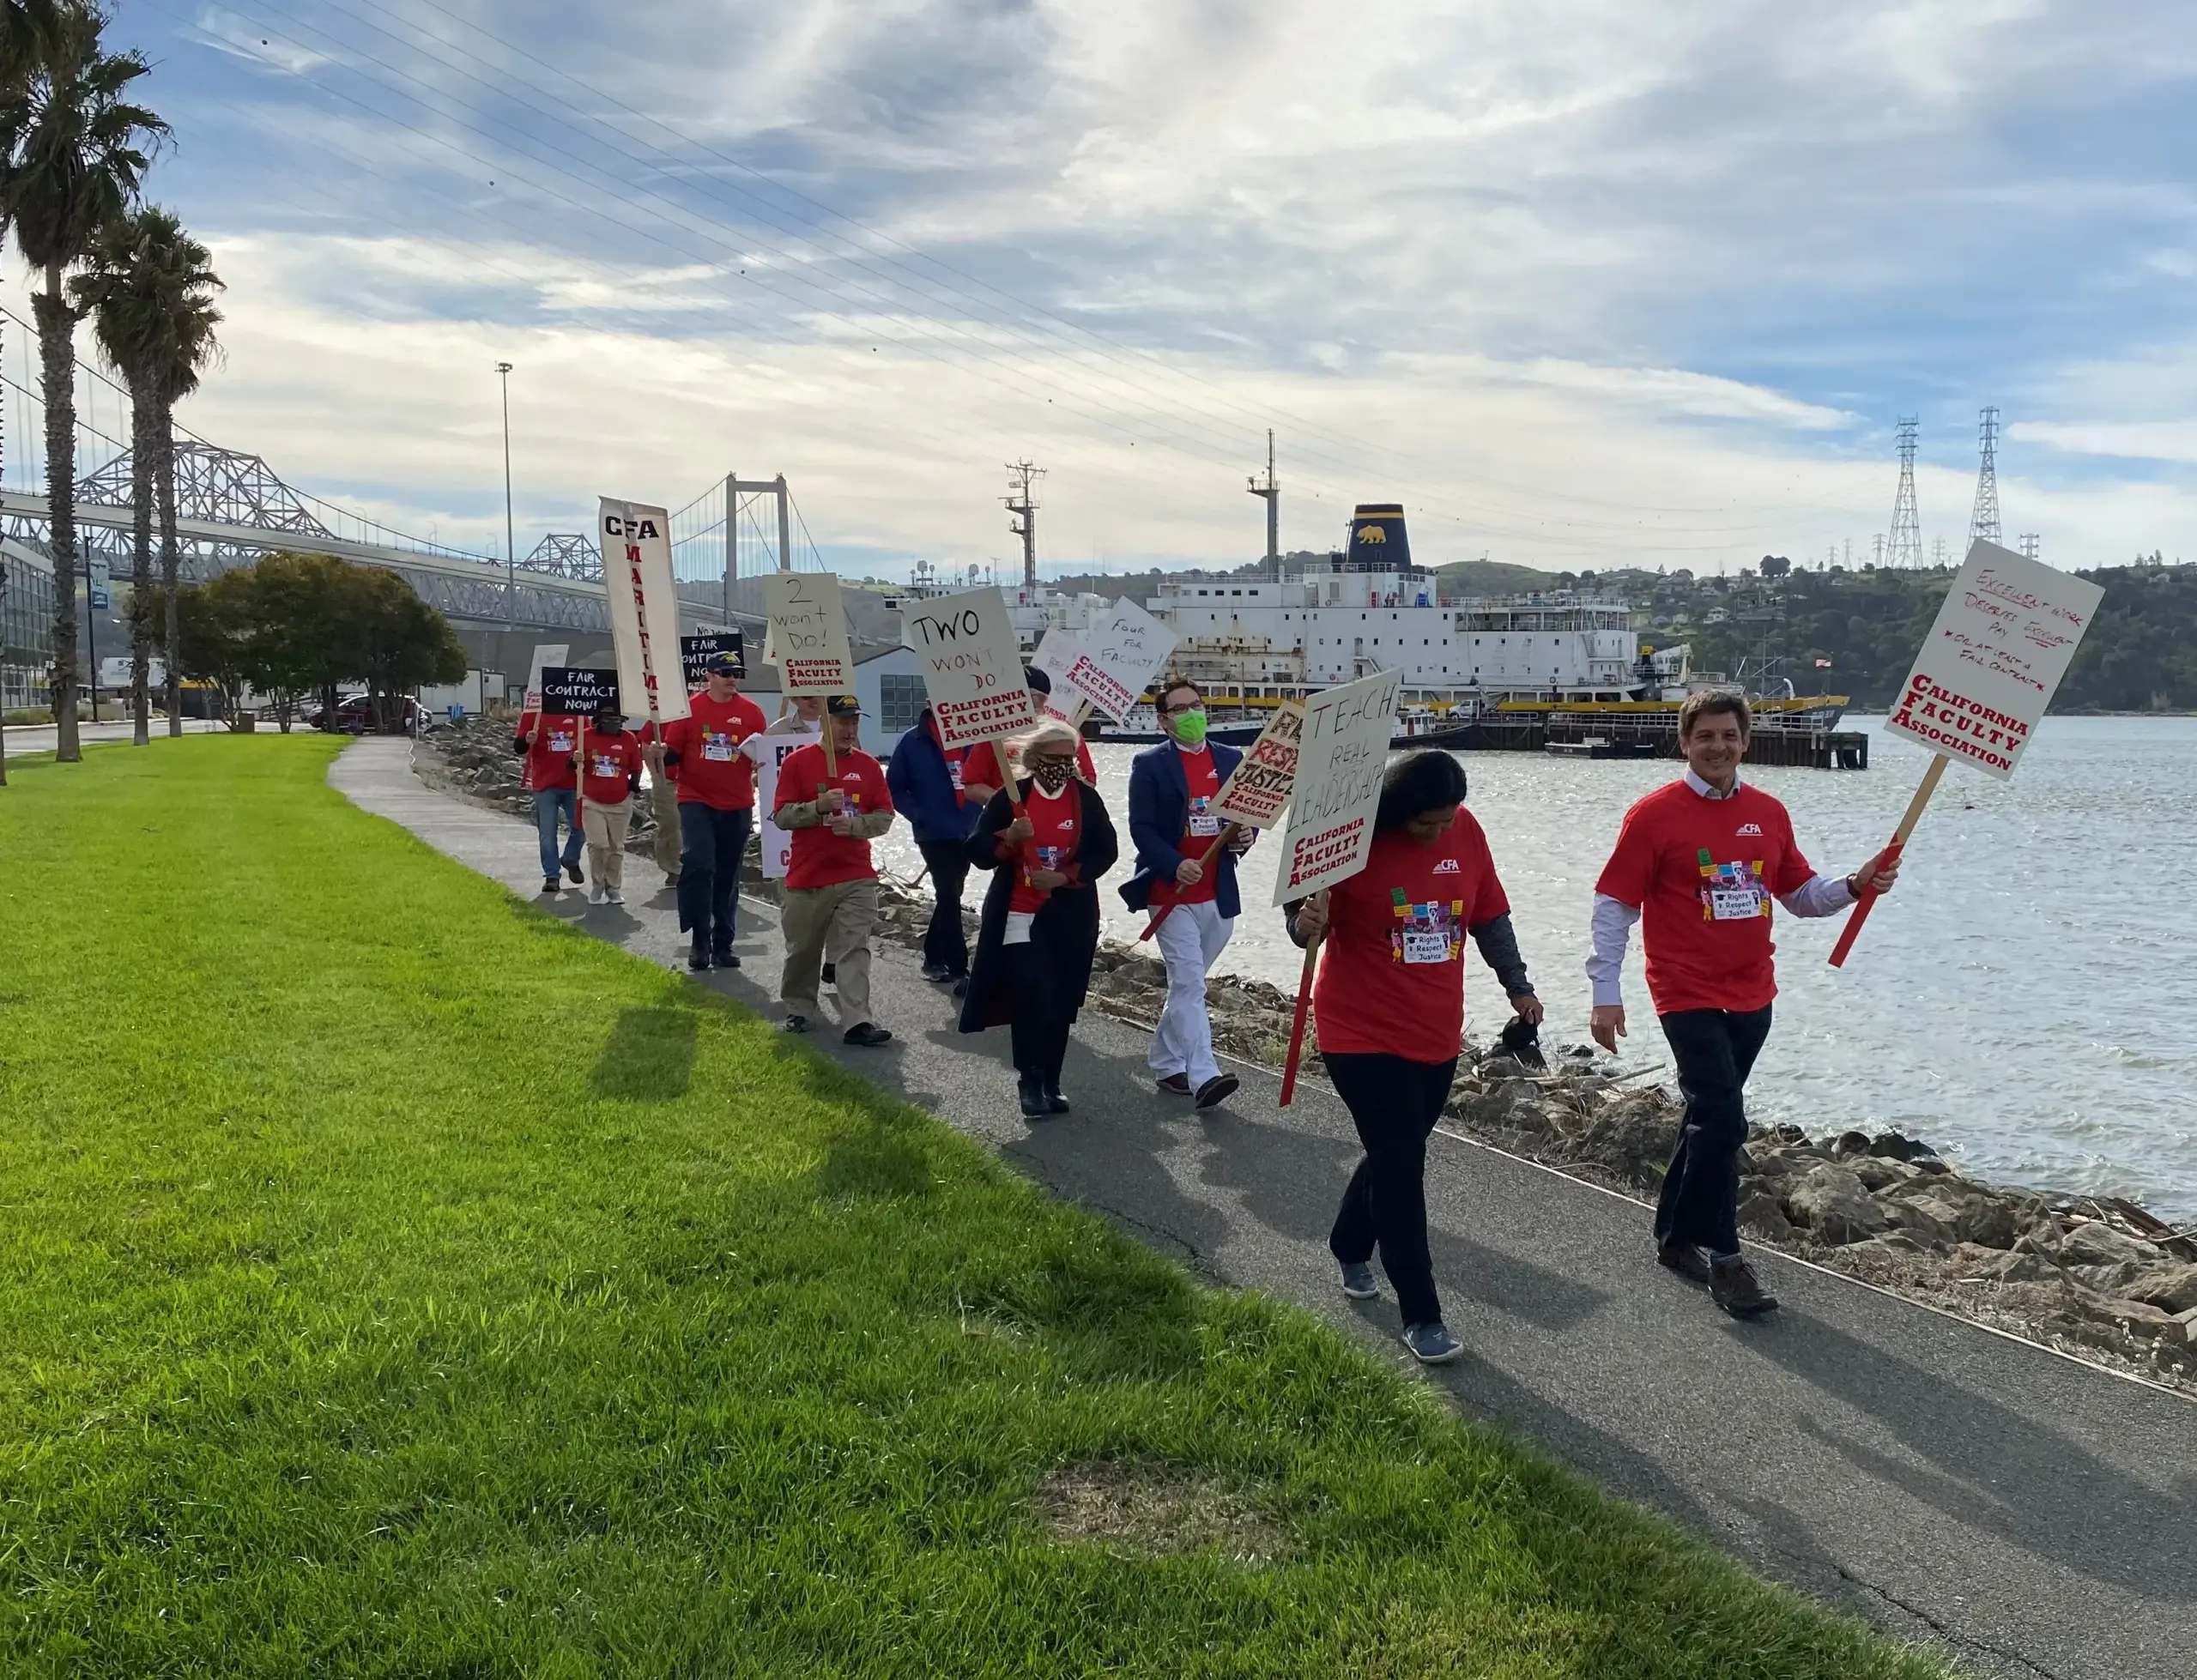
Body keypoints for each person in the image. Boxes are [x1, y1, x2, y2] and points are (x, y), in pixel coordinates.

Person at [1588, 691, 1901, 1320]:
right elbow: (1614, 905)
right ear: (1685, 742)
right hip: (1684, 991)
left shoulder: (1768, 813)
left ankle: (1676, 1238)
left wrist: (1855, 884)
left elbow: (1801, 894)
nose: (1718, 747)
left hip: (1753, 992)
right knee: (1725, 1121)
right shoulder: (1653, 816)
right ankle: (1726, 1260)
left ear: (1745, 742)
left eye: (1729, 736)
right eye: (1705, 736)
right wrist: (1605, 993)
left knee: (1709, 1118)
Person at [1286, 752, 1542, 1365]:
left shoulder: (1466, 831)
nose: (1435, 832)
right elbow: (1299, 925)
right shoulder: (1344, 837)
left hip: (1434, 1027)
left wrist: (1518, 984)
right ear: (1397, 810)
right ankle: (1422, 1313)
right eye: (1424, 823)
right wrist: (1307, 922)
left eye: (1444, 821)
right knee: (1402, 1166)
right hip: (1358, 1030)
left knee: (1395, 1147)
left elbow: (1489, 915)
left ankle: (1349, 1241)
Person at [959, 719, 1119, 1117]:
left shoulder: (1085, 799)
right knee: (1031, 994)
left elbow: (1106, 851)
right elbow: (977, 852)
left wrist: (1066, 875)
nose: (1063, 765)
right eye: (1054, 758)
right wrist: (1009, 838)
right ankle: (1028, 1079)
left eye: (1070, 758)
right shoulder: (1011, 797)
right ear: (1034, 758)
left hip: (1070, 914)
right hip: (1020, 911)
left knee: (1061, 999)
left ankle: (1051, 1079)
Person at [1120, 677, 1254, 1109]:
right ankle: (1204, 1074)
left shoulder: (1233, 759)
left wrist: (1245, 838)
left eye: (1196, 705)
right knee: (1190, 982)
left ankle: (1164, 1060)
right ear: (1163, 721)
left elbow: (1243, 825)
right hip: (1171, 891)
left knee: (1187, 985)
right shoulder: (1150, 765)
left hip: (1218, 892)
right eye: (1180, 709)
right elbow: (1141, 829)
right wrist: (1175, 863)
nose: (1192, 714)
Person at [772, 694, 896, 1046]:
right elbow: (780, 816)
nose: (850, 728)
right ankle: (799, 1008)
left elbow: (885, 817)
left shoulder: (870, 766)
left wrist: (856, 826)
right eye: (843, 721)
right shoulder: (797, 763)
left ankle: (857, 1020)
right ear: (824, 723)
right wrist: (815, 808)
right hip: (808, 877)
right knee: (803, 950)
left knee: (854, 947)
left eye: (855, 721)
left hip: (856, 875)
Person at [660, 651, 767, 971]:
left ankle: (724, 943)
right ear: (709, 676)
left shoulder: (752, 712)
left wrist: (765, 769)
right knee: (699, 863)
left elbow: (763, 758)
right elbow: (671, 756)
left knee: (727, 874)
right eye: (725, 672)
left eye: (736, 673)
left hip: (737, 803)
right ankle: (699, 939)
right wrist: (659, 753)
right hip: (696, 799)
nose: (732, 678)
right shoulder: (689, 709)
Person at [887, 696, 984, 989]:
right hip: (932, 831)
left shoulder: (972, 737)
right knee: (948, 894)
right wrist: (918, 815)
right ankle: (958, 968)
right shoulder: (911, 741)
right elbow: (895, 788)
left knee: (951, 894)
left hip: (967, 829)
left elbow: (987, 776)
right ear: (929, 702)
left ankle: (932, 957)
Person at [956, 665, 1098, 794]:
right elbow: (972, 786)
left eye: (1022, 695)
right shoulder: (996, 732)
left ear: (1041, 699)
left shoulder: (1065, 732)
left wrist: (1069, 786)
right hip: (1011, 820)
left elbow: (1089, 781)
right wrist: (1006, 805)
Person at [512, 704, 586, 894]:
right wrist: (527, 740)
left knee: (581, 827)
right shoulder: (534, 713)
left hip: (574, 784)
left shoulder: (578, 714)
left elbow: (591, 741)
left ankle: (570, 858)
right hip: (545, 785)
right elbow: (518, 747)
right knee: (547, 833)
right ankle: (552, 876)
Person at [575, 706, 644, 906]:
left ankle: (613, 888)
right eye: (609, 720)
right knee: (598, 845)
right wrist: (574, 760)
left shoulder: (629, 739)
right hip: (591, 799)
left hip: (620, 801)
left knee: (616, 847)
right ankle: (597, 885)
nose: (614, 724)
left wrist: (634, 786)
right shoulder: (584, 736)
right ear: (599, 721)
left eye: (618, 720)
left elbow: (636, 766)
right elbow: (571, 765)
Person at [635, 719, 682, 891]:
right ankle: (673, 867)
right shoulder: (658, 719)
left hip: (694, 780)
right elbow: (646, 745)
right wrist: (655, 774)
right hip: (666, 779)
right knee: (671, 822)